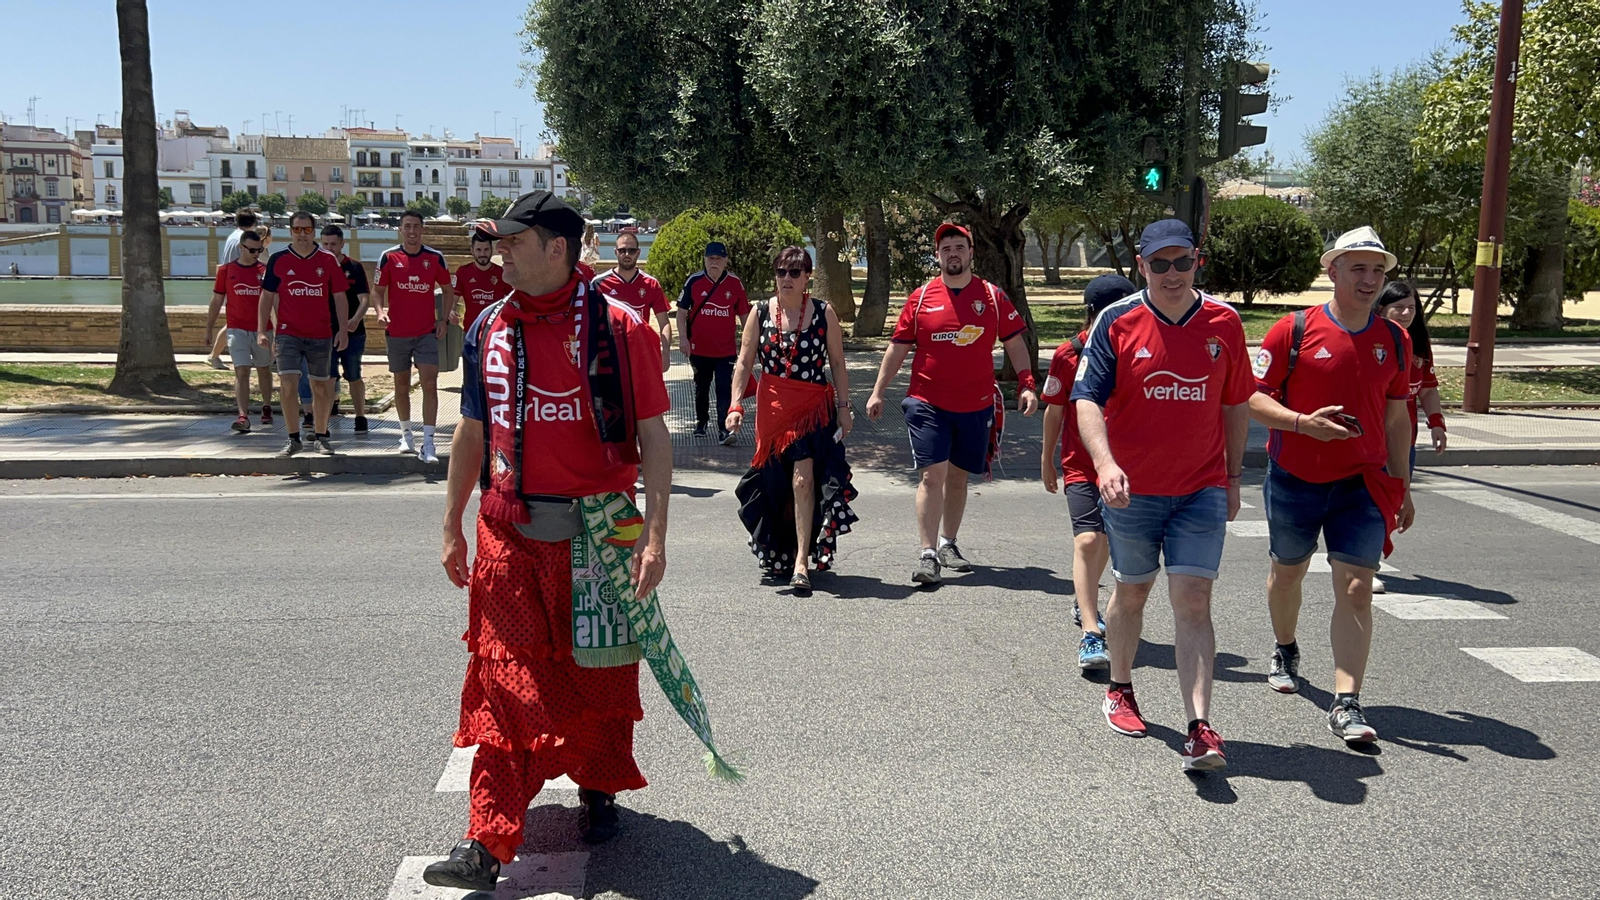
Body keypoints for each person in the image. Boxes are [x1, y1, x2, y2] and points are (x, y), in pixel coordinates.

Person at [427, 190, 672, 891]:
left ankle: (599, 786)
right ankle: (488, 837)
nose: (498, 251)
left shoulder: (624, 329)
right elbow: (471, 430)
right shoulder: (490, 328)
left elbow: (654, 436)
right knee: (505, 681)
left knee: (599, 665)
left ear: (557, 247)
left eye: (513, 241)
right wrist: (450, 522)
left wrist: (655, 536)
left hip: (604, 525)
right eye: (497, 241)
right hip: (507, 526)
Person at [1071, 219, 1253, 772]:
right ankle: (1120, 689)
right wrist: (1104, 464)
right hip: (1132, 493)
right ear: (1142, 266)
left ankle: (1200, 727)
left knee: (1195, 599)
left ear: (1198, 260)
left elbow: (1236, 403)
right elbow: (1086, 400)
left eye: (1183, 262)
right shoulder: (1117, 321)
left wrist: (1233, 476)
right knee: (1131, 594)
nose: (1172, 274)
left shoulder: (1224, 323)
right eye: (1159, 264)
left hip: (1199, 488)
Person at [1248, 226, 1415, 744]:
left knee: (1357, 588)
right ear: (1333, 271)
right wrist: (1302, 423)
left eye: (1377, 271)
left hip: (1362, 483)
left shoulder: (1394, 339)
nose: (1369, 280)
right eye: (1358, 269)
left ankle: (1347, 701)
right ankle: (1285, 646)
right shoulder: (1291, 330)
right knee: (1288, 575)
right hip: (1296, 477)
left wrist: (1402, 485)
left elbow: (1396, 419)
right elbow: (1251, 400)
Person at [864, 222, 1036, 586]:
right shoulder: (922, 296)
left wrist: (1027, 384)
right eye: (946, 249)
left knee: (958, 478)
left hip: (975, 405)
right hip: (928, 403)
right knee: (932, 475)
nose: (953, 253)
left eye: (959, 247)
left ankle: (948, 543)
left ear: (971, 252)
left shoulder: (991, 296)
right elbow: (898, 347)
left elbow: (1015, 342)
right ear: (938, 255)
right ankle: (928, 554)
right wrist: (878, 390)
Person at [725, 246, 858, 594]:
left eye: (795, 272)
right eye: (782, 271)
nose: (787, 278)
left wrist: (844, 407)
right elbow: (743, 361)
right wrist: (735, 404)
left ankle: (801, 562)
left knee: (803, 480)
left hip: (812, 408)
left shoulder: (823, 313)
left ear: (807, 278)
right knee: (775, 483)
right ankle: (781, 551)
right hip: (772, 410)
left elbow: (839, 363)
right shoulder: (759, 312)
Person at [1040, 273, 1135, 670]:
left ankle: (1086, 601)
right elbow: (1055, 409)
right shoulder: (1068, 354)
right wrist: (1047, 460)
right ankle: (1091, 635)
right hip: (1080, 465)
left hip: (1124, 465)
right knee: (1087, 541)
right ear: (1093, 314)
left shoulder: (1137, 352)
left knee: (1107, 542)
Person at [258, 211, 350, 456]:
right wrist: (261, 330)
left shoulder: (328, 260)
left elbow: (340, 296)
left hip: (321, 334)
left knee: (321, 387)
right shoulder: (278, 260)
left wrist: (343, 329)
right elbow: (266, 297)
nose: (302, 235)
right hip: (288, 333)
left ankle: (321, 436)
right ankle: (292, 438)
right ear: (290, 231)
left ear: (313, 231)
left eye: (307, 230)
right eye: (297, 229)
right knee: (288, 385)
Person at [373, 209, 455, 463]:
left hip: (425, 333)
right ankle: (406, 434)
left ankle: (428, 444)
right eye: (407, 226)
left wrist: (443, 319)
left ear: (422, 230)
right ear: (400, 229)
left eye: (416, 226)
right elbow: (377, 291)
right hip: (397, 332)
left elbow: (448, 290)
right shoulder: (388, 257)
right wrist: (379, 310)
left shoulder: (435, 258)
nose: (411, 231)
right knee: (401, 385)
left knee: (430, 384)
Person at [676, 242, 751, 444]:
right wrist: (683, 338)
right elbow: (681, 312)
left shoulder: (734, 283)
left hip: (725, 350)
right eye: (710, 259)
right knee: (701, 387)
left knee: (724, 388)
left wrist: (750, 342)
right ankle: (701, 421)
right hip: (699, 348)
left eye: (718, 259)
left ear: (726, 260)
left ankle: (724, 429)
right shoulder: (694, 281)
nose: (714, 263)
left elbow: (745, 314)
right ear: (705, 260)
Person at [204, 230, 273, 432]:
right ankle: (243, 416)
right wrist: (209, 327)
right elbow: (217, 300)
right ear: (240, 248)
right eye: (251, 249)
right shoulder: (226, 271)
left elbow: (273, 302)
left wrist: (277, 332)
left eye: (259, 249)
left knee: (264, 369)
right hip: (237, 329)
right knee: (241, 370)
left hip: (262, 330)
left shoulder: (265, 271)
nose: (255, 253)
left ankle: (266, 406)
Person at [316, 225, 373, 433]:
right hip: (325, 332)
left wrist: (356, 319)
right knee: (329, 378)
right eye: (325, 244)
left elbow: (364, 298)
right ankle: (325, 422)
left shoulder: (354, 267)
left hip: (353, 332)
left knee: (354, 375)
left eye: (333, 244)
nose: (329, 248)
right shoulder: (318, 267)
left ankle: (360, 417)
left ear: (342, 244)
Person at [592, 229, 672, 373]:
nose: (627, 254)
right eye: (622, 250)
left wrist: (666, 352)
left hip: (641, 354)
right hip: (609, 355)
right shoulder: (598, 284)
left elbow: (664, 322)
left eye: (631, 250)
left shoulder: (651, 284)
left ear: (638, 252)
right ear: (615, 252)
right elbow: (589, 322)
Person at [207, 210, 262, 369]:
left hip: (230, 283)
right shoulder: (246, 240)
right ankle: (214, 355)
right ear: (253, 223)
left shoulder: (232, 236)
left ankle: (215, 356)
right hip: (240, 283)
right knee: (234, 324)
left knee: (233, 323)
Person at [453, 229, 505, 331]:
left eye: (486, 249)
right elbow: (453, 299)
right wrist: (451, 312)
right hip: (470, 331)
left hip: (494, 332)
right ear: (472, 251)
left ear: (491, 250)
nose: (482, 254)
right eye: (478, 250)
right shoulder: (463, 272)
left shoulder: (502, 273)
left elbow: (512, 300)